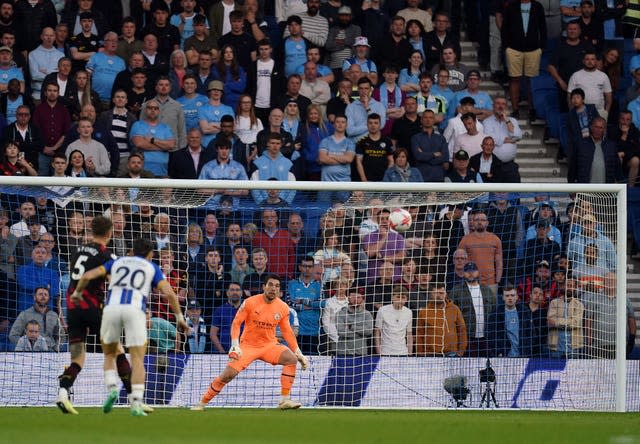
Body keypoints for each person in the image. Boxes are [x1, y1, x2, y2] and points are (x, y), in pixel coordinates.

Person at [69, 237, 189, 416]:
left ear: (132, 250)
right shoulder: (151, 267)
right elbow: (170, 294)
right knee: (138, 359)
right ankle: (136, 402)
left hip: (110, 310)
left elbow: (87, 275)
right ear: (151, 255)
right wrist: (179, 317)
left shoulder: (117, 261)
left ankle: (112, 389)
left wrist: (77, 293)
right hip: (134, 311)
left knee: (110, 354)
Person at [55, 217, 137, 415]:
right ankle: (135, 400)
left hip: (72, 308)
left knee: (77, 358)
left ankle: (63, 393)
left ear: (91, 231)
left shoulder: (77, 251)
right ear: (109, 233)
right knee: (117, 350)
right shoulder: (105, 255)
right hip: (93, 307)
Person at [191, 275, 309, 410]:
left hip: (269, 345)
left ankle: (285, 400)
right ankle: (202, 403)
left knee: (291, 359)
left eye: (277, 286)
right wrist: (235, 344)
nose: (273, 289)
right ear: (264, 287)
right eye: (270, 285)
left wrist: (298, 352)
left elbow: (287, 331)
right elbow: (236, 323)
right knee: (228, 375)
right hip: (248, 346)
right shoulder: (250, 302)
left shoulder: (283, 307)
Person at [501, 0, 547, 122]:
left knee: (531, 80)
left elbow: (543, 27)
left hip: (533, 49)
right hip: (514, 49)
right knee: (514, 79)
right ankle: (515, 110)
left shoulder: (537, 6)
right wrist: (506, 46)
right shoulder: (511, 6)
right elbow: (505, 27)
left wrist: (541, 46)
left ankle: (532, 110)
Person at [448, 262, 496, 357]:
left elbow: (494, 310)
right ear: (463, 273)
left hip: (486, 337)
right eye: (467, 271)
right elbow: (451, 314)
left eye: (473, 271)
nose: (470, 273)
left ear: (478, 272)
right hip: (466, 337)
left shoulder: (486, 290)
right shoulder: (456, 291)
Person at [415, 284, 467, 357]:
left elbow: (462, 330)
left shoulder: (455, 309)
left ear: (446, 294)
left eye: (441, 293)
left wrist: (461, 351)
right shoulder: (424, 312)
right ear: (430, 294)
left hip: (451, 353)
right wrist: (420, 352)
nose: (439, 296)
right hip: (430, 354)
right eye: (436, 293)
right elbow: (419, 333)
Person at [458, 210, 503, 291]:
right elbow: (459, 261)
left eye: (482, 220)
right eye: (477, 220)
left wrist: (497, 280)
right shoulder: (465, 240)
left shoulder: (495, 239)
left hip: (491, 283)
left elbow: (499, 261)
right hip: (471, 283)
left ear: (487, 223)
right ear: (473, 222)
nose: (479, 222)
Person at [129, 99, 176, 176]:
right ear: (145, 110)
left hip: (162, 171)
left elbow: (171, 145)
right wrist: (163, 147)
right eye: (150, 108)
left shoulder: (165, 127)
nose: (153, 110)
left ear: (159, 111)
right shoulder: (138, 125)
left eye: (155, 108)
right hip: (142, 171)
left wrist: (153, 140)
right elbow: (139, 144)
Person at [287, 256, 323, 355]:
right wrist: (310, 305)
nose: (307, 269)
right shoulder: (292, 284)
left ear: (313, 268)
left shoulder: (319, 285)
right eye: (304, 266)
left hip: (314, 331)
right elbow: (289, 304)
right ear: (300, 267)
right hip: (296, 331)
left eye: (310, 266)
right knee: (295, 361)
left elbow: (321, 304)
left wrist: (303, 301)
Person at [9, 286, 61, 351]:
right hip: (29, 353)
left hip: (50, 351)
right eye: (40, 294)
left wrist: (56, 348)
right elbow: (13, 335)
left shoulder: (54, 315)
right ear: (34, 297)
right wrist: (27, 346)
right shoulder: (24, 314)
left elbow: (61, 335)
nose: (43, 296)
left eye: (45, 294)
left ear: (49, 298)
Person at [487, 285, 534, 357]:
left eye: (512, 295)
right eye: (507, 295)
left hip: (523, 355)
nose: (510, 298)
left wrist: (528, 350)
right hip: (504, 355)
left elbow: (531, 332)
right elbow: (491, 335)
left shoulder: (524, 312)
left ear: (517, 297)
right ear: (503, 297)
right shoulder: (495, 314)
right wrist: (498, 351)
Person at [574, 117, 622, 184]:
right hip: (585, 189)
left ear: (604, 130)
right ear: (591, 127)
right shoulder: (581, 144)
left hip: (606, 190)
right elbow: (573, 168)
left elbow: (618, 169)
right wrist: (572, 189)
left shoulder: (611, 146)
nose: (598, 130)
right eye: (596, 127)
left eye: (600, 128)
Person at [567, 51, 612, 120]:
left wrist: (606, 113)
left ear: (596, 61)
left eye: (592, 59)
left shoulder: (603, 76)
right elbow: (569, 96)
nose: (590, 62)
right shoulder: (575, 75)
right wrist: (573, 113)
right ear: (583, 61)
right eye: (587, 59)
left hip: (599, 112)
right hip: (580, 112)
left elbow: (608, 97)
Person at [547, 277, 585, 358]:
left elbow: (575, 323)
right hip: (556, 347)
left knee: (574, 370)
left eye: (571, 285)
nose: (569, 287)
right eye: (567, 285)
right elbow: (550, 321)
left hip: (573, 348)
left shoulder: (579, 305)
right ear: (563, 286)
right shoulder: (554, 302)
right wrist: (569, 322)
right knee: (554, 370)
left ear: (575, 288)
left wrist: (557, 322)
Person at [411, 109, 449, 182]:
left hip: (438, 176)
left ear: (434, 120)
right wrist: (434, 154)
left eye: (431, 118)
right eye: (425, 117)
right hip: (421, 177)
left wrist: (425, 156)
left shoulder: (441, 138)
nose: (428, 120)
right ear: (421, 120)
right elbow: (418, 156)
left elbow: (444, 158)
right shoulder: (415, 137)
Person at [375, 285, 413, 356]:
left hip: (403, 352)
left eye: (403, 297)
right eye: (398, 297)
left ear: (406, 299)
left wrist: (410, 354)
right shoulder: (382, 310)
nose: (400, 300)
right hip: (385, 352)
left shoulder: (409, 312)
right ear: (392, 297)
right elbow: (377, 333)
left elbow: (409, 334)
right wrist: (379, 353)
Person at [355, 113, 394, 182]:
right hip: (367, 181)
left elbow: (391, 161)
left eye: (376, 123)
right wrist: (364, 180)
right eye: (370, 123)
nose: (373, 125)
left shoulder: (387, 141)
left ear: (380, 125)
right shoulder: (361, 142)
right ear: (367, 125)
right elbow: (358, 162)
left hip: (384, 181)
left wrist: (386, 177)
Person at [335, 289, 374, 356]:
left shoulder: (367, 314)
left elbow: (369, 331)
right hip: (344, 352)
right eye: (353, 297)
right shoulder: (340, 313)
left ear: (362, 299)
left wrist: (351, 326)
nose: (355, 300)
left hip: (361, 352)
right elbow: (341, 332)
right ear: (348, 298)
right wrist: (361, 333)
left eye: (358, 297)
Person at [210, 282, 243, 354]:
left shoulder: (247, 310)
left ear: (241, 293)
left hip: (243, 352)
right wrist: (221, 351)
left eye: (237, 290)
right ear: (227, 293)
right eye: (232, 290)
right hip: (223, 352)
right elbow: (213, 334)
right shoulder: (219, 310)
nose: (235, 292)